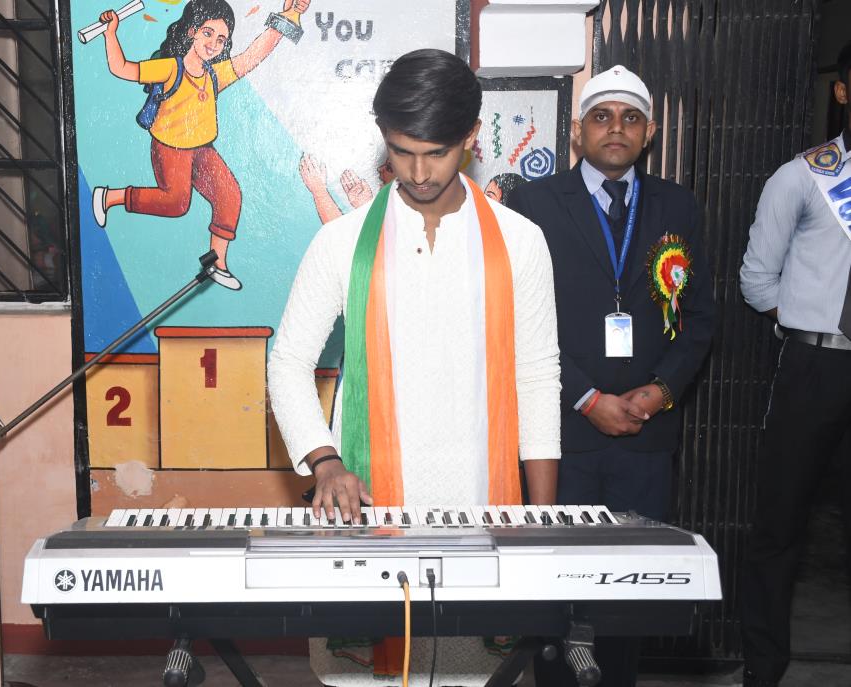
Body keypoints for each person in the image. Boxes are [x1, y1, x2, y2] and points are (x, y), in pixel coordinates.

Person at [268, 48, 561, 687]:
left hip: (481, 509)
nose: (420, 172)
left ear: (472, 137)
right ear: (383, 138)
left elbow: (538, 375)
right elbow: (288, 361)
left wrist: (540, 523)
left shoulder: (520, 241)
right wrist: (325, 462)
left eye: (437, 152)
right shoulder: (341, 242)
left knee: (471, 677)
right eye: (403, 152)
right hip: (367, 511)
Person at [506, 65, 715, 686]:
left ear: (649, 133)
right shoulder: (535, 203)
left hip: (646, 436)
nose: (615, 129)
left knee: (629, 592)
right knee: (557, 586)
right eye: (601, 117)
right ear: (578, 132)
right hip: (563, 434)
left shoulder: (678, 205)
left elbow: (701, 317)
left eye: (630, 118)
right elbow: (517, 318)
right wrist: (586, 396)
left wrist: (662, 391)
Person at [737, 40, 851, 687]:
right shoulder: (802, 176)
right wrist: (808, 322)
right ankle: (762, 667)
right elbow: (757, 278)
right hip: (815, 367)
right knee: (779, 524)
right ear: (841, 91)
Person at [91, 0, 310, 291]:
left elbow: (252, 56)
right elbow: (121, 68)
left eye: (221, 39)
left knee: (229, 194)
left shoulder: (214, 74)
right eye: (208, 33)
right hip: (170, 148)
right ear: (192, 31)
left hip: (201, 149)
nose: (213, 44)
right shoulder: (171, 68)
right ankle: (110, 197)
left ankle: (217, 263)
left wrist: (287, 16)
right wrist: (110, 33)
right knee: (176, 204)